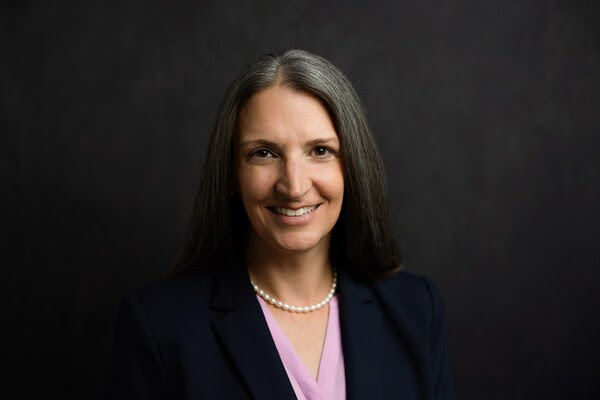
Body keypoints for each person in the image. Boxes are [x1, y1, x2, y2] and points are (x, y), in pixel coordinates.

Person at [107, 49, 455, 400]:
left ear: (352, 166)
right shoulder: (159, 328)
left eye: (320, 151)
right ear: (231, 173)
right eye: (264, 153)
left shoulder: (416, 309)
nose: (294, 186)